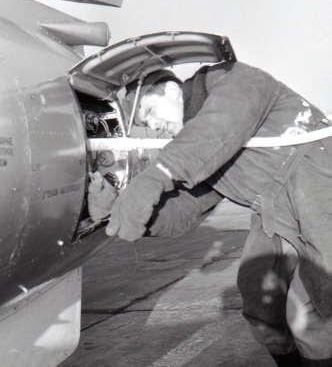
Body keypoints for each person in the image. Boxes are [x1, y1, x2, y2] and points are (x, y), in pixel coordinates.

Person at [88, 58, 332, 366]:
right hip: (274, 211)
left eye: (149, 111)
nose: (152, 126)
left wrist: (156, 176)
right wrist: (119, 207)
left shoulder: (231, 78)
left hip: (321, 189)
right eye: (145, 124)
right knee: (262, 310)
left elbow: (220, 125)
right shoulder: (200, 148)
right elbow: (184, 209)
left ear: (174, 91)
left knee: (315, 315)